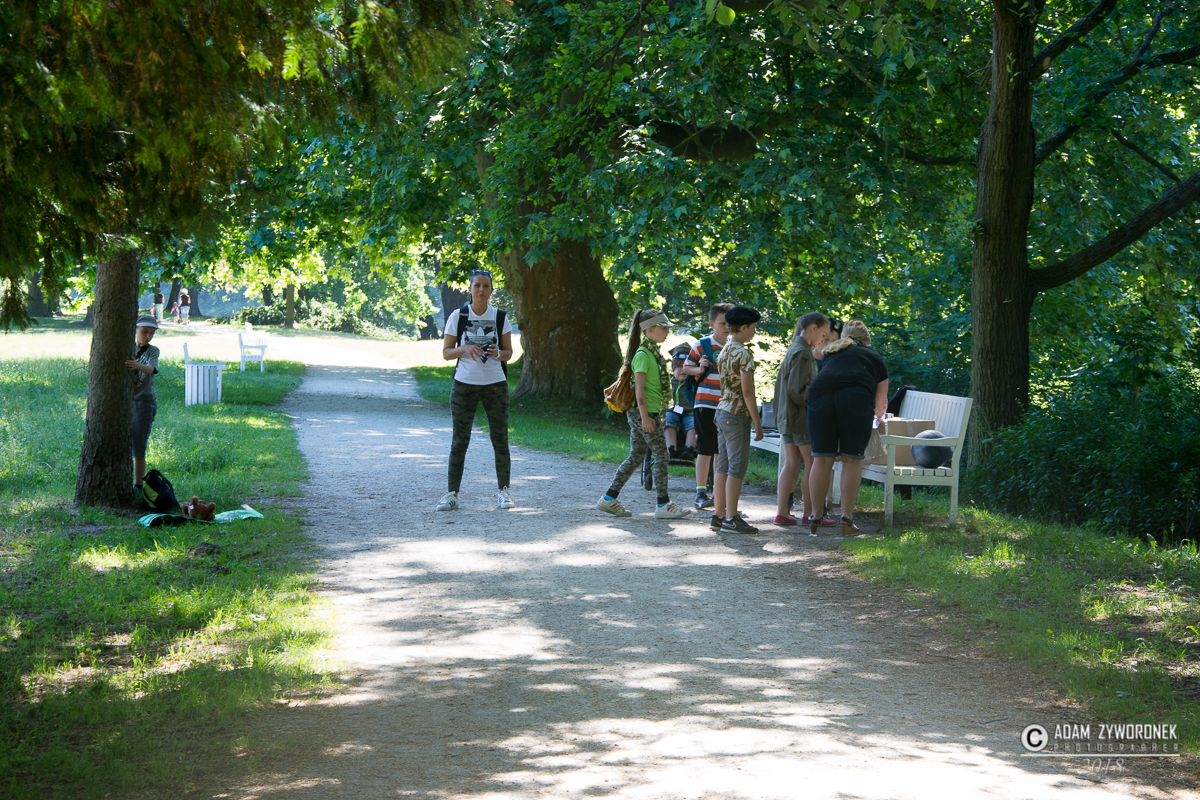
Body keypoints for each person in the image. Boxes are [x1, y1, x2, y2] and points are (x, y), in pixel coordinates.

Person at [597, 309, 692, 520]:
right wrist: (646, 418)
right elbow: (639, 391)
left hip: (647, 412)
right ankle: (663, 504)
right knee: (662, 455)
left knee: (636, 456)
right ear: (649, 330)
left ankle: (608, 498)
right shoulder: (643, 355)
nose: (667, 331)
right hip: (643, 412)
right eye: (663, 327)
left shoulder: (652, 354)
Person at [436, 269, 515, 511]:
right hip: (464, 386)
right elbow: (446, 353)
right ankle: (452, 495)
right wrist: (464, 348)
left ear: (491, 290)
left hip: (495, 386)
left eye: (485, 286)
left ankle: (504, 492)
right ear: (470, 289)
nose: (481, 290)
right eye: (477, 286)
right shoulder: (458, 316)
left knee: (500, 440)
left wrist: (498, 354)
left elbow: (509, 353)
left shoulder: (500, 317)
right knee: (460, 441)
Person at [806, 320, 889, 537]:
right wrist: (878, 418)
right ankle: (846, 519)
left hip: (819, 399)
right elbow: (881, 403)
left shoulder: (830, 353)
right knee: (851, 459)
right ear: (867, 339)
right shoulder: (874, 357)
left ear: (843, 337)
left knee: (821, 459)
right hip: (856, 399)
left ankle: (815, 517)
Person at [773, 311, 835, 526]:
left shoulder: (794, 348)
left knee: (791, 464)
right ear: (813, 328)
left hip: (787, 416)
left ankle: (782, 513)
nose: (823, 341)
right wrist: (818, 397)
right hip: (798, 417)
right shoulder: (803, 352)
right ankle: (810, 514)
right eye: (823, 335)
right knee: (811, 463)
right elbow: (797, 389)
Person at [713, 306, 763, 534]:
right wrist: (757, 423)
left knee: (722, 466)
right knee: (736, 467)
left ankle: (719, 515)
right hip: (737, 415)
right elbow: (748, 391)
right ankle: (731, 518)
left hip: (722, 411)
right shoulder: (743, 353)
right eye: (753, 328)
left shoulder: (724, 350)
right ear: (743, 327)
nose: (754, 332)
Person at [681, 303, 733, 509]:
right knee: (705, 448)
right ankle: (700, 492)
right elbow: (686, 368)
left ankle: (718, 493)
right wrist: (700, 368)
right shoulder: (702, 344)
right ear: (712, 324)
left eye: (730, 323)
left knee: (721, 449)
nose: (727, 327)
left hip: (725, 405)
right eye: (722, 323)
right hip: (704, 403)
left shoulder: (733, 346)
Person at [127, 315, 160, 501]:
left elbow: (151, 369)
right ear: (135, 329)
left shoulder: (153, 350)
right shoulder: (128, 347)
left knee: (139, 445)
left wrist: (136, 365)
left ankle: (138, 486)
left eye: (151, 333)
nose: (148, 336)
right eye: (144, 331)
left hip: (144, 403)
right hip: (127, 402)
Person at [665, 342, 696, 462]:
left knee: (694, 424)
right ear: (673, 368)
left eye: (686, 366)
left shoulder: (695, 383)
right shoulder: (668, 382)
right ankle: (671, 448)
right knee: (668, 419)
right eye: (679, 366)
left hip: (690, 413)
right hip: (672, 411)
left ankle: (689, 449)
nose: (682, 370)